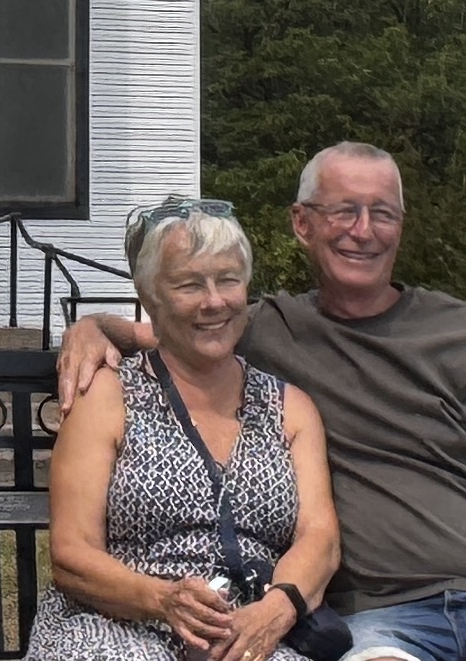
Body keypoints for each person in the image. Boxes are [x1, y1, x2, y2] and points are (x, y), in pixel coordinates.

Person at [57, 142, 466, 661]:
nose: (363, 230)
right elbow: (177, 328)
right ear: (302, 223)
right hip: (380, 617)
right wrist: (91, 328)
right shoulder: (268, 328)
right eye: (344, 211)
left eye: (383, 213)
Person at [26, 199, 340, 661]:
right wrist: (162, 599)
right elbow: (72, 553)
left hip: (245, 631)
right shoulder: (108, 396)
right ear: (151, 298)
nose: (213, 301)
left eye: (228, 280)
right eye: (189, 285)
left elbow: (320, 537)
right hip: (115, 624)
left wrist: (277, 608)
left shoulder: (291, 409)